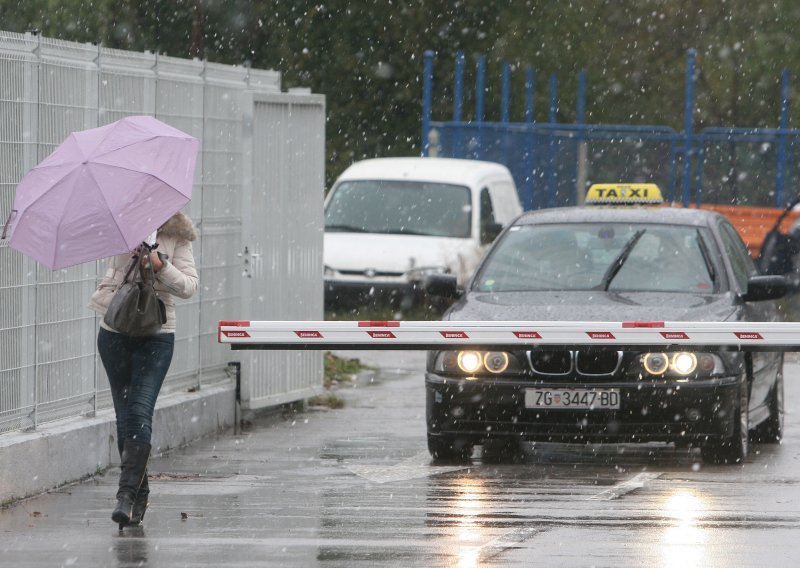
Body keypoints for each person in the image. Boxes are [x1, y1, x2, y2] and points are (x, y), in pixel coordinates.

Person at [88, 211, 198, 528]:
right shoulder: (116, 223)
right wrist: (130, 247)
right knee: (125, 417)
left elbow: (189, 286)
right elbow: (112, 268)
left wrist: (160, 264)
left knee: (138, 411)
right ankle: (138, 494)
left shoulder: (178, 232)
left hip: (157, 335)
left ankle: (125, 495)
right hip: (115, 332)